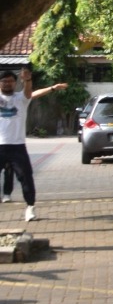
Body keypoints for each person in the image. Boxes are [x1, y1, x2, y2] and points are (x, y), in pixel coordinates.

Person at [0, 68, 66, 223]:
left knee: (26, 178)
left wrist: (28, 81)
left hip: (17, 147)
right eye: (4, 81)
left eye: (10, 81)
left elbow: (30, 93)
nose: (7, 84)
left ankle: (30, 208)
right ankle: (6, 195)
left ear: (15, 83)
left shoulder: (21, 98)